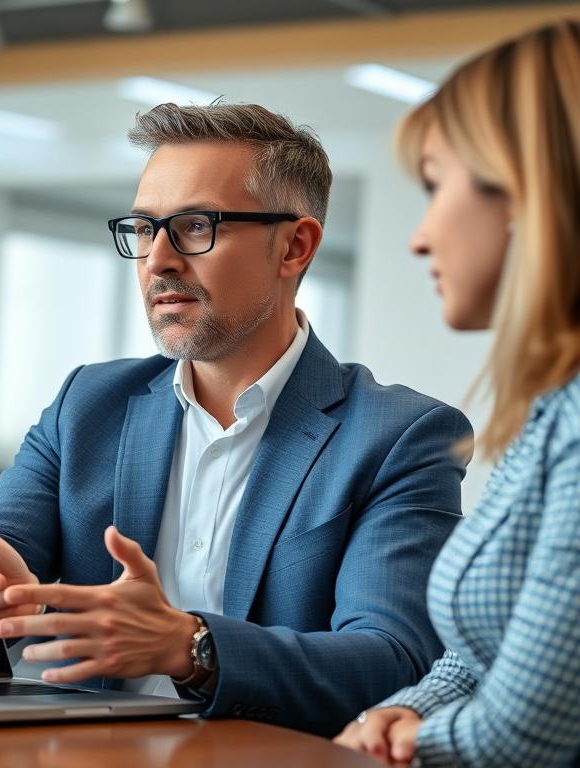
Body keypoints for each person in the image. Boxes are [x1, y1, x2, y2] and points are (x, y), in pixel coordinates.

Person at [0, 102, 473, 737]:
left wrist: (189, 646)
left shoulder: (399, 436)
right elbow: (0, 547)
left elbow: (393, 662)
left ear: (294, 246)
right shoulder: (89, 402)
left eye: (194, 226)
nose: (158, 259)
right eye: (142, 228)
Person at [333, 20, 580, 766]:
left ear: (523, 191)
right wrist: (403, 711)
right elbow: (489, 649)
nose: (419, 235)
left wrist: (410, 745)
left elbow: (527, 736)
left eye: (437, 186)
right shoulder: (551, 411)